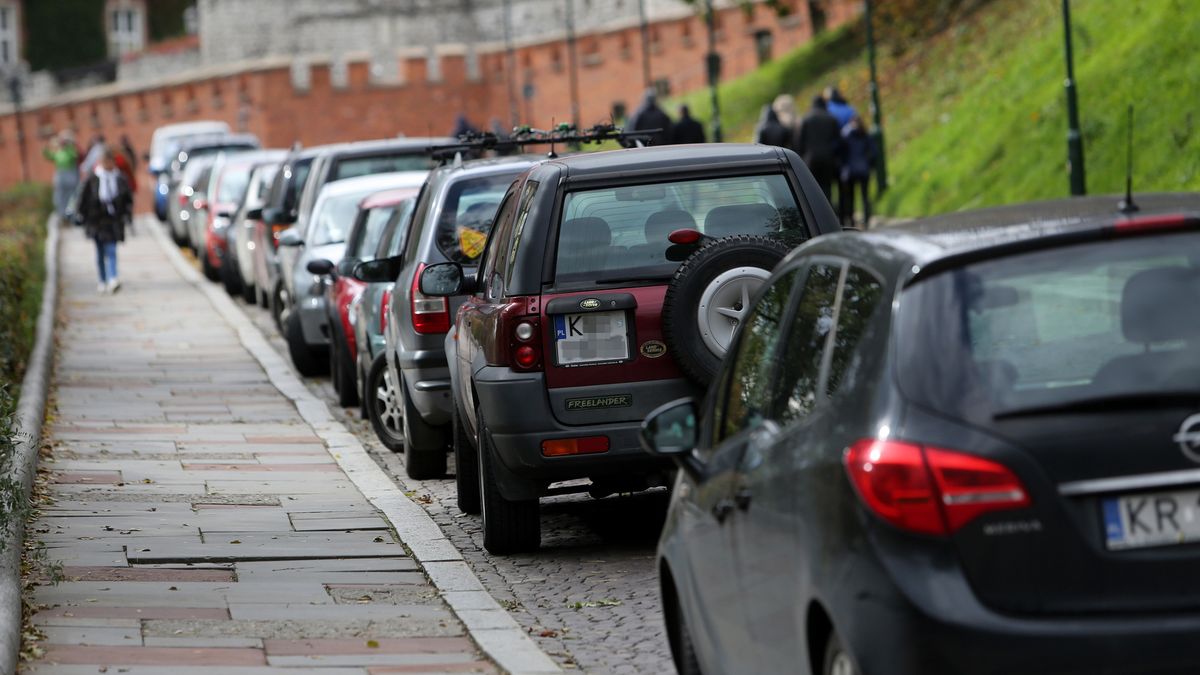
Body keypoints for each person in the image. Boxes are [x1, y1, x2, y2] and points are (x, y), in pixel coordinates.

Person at [77, 149, 133, 294]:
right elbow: (83, 200)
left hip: (113, 220)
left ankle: (113, 278)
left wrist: (126, 216)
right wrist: (83, 218)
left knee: (112, 250)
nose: (108, 165)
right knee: (100, 252)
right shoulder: (93, 179)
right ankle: (102, 280)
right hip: (96, 221)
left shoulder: (120, 178)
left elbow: (127, 199)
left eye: (110, 162)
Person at [795, 96, 843, 203]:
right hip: (828, 158)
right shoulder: (831, 118)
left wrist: (802, 156)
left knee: (812, 187)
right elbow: (839, 141)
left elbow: (800, 142)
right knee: (827, 187)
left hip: (810, 158)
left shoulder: (806, 119)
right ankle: (828, 208)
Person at [839, 116, 876, 228]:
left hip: (851, 171)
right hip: (864, 169)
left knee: (851, 197)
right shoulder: (866, 136)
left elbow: (842, 153)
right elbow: (874, 152)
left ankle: (851, 220)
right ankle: (866, 219)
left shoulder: (847, 137)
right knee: (865, 196)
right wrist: (868, 164)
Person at [43, 130, 80, 220]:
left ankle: (71, 214)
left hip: (71, 177)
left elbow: (74, 155)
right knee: (60, 197)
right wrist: (46, 146)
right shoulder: (58, 152)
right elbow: (48, 155)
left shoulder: (71, 150)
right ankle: (62, 215)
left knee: (72, 197)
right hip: (60, 178)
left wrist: (69, 144)